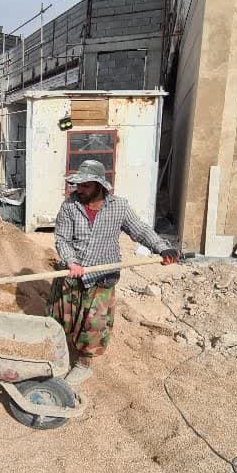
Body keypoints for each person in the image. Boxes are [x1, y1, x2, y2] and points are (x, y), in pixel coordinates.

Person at [48, 159, 178, 386]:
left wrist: (161, 248)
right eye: (78, 185)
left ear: (99, 186)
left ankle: (84, 364)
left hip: (102, 276)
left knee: (95, 323)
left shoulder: (119, 207)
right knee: (64, 319)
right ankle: (64, 351)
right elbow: (62, 239)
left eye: (85, 186)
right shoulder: (69, 206)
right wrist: (71, 261)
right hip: (73, 275)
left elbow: (140, 230)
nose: (79, 190)